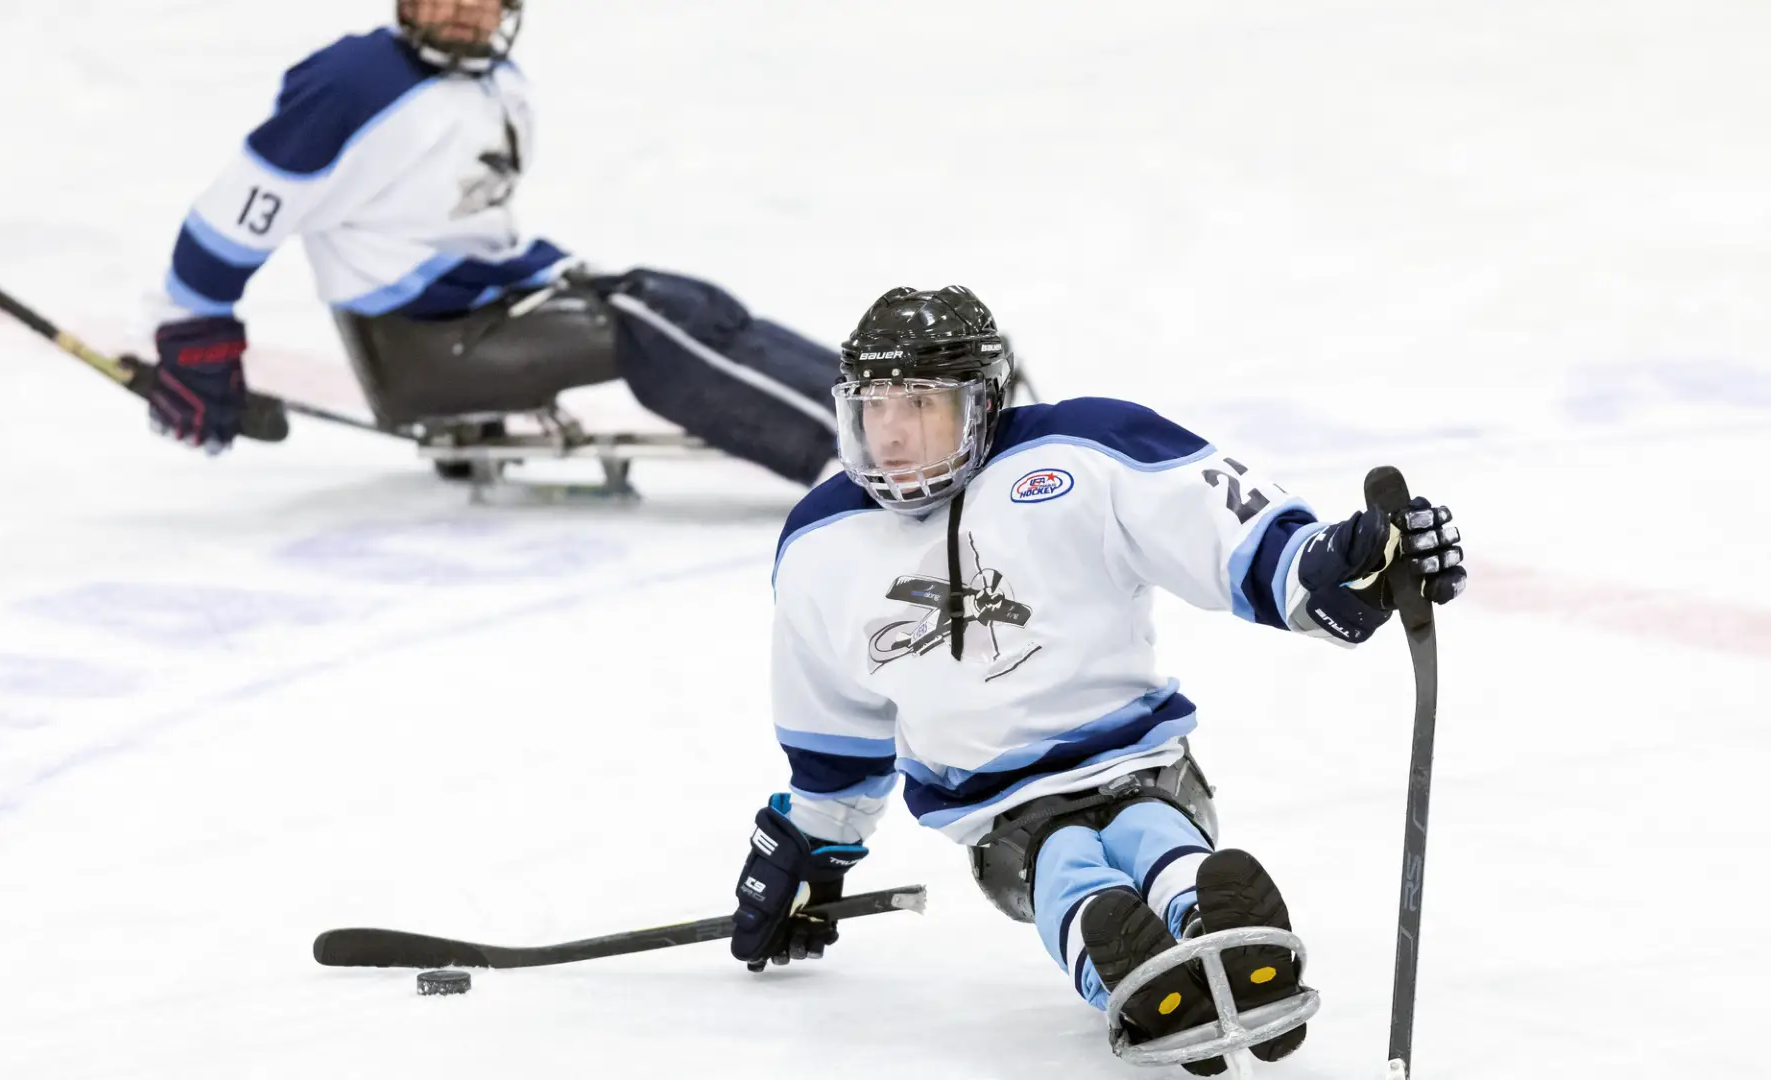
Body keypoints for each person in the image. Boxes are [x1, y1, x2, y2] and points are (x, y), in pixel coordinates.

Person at [727, 285, 1467, 1073]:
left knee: (1154, 834)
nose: (892, 431)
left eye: (919, 403)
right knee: (1063, 862)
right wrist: (810, 850)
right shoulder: (819, 544)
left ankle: (1219, 930)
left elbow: (1233, 533)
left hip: (1145, 770)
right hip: (1003, 817)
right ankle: (1140, 970)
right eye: (873, 406)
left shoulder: (1082, 450)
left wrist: (1343, 564)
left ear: (982, 402)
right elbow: (835, 734)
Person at [145, 0, 840, 486]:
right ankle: (850, 458)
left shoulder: (494, 82)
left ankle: (888, 409)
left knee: (687, 302)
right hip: (424, 344)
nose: (464, 10)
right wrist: (194, 335)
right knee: (650, 326)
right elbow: (232, 216)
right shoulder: (350, 84)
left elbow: (463, 225)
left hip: (481, 306)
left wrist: (553, 269)